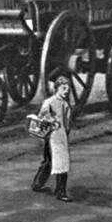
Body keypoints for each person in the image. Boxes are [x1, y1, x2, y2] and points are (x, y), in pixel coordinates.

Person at [32, 71, 74, 202]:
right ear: (56, 88)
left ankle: (41, 184)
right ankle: (58, 191)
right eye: (63, 88)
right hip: (51, 136)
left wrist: (65, 132)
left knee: (57, 162)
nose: (66, 91)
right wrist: (51, 121)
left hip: (61, 137)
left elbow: (67, 123)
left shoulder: (66, 105)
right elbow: (42, 116)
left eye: (68, 89)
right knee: (53, 162)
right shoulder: (50, 102)